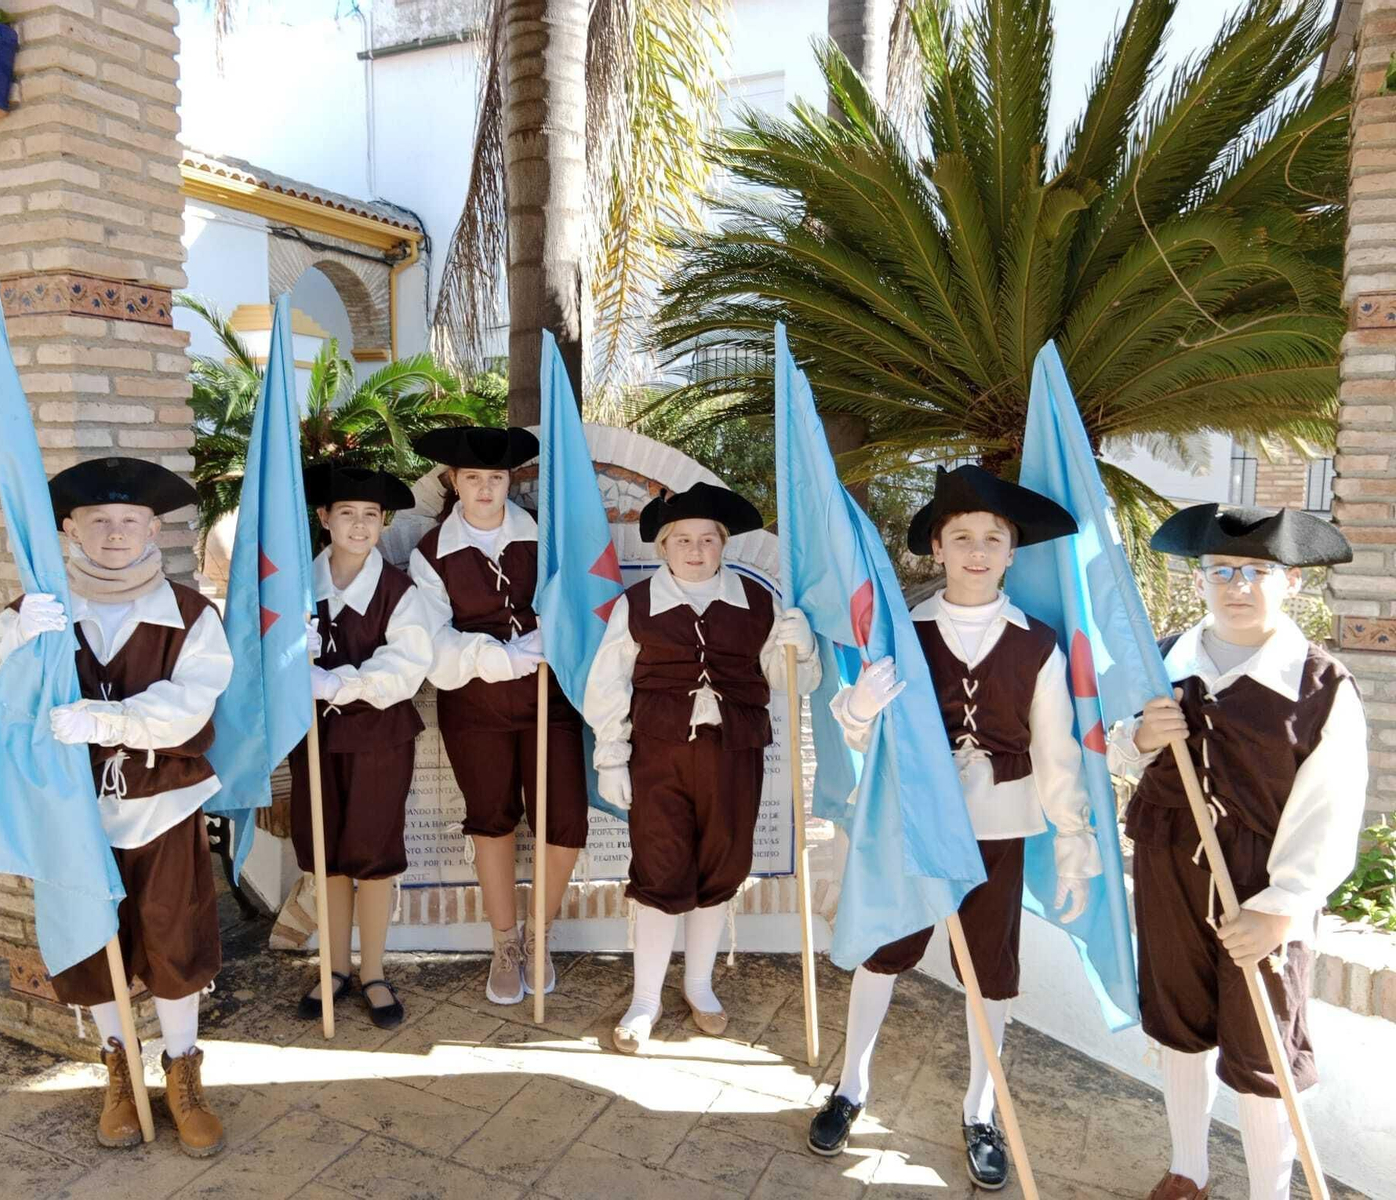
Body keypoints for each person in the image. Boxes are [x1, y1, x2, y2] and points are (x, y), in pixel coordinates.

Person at [807, 464, 1101, 1190]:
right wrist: (859, 708)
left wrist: (1073, 842)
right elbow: (863, 737)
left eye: (992, 539)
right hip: (911, 823)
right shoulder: (903, 633)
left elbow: (1057, 753)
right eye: (961, 537)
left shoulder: (1038, 644)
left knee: (990, 973)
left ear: (1011, 552)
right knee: (885, 950)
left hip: (998, 827)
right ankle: (851, 1086)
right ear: (936, 548)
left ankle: (979, 1109)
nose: (977, 550)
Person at [0, 457, 232, 1157]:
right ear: (71, 529)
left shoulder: (191, 615)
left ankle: (183, 1075)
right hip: (73, 811)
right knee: (92, 942)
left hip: (163, 806)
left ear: (152, 529)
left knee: (174, 936)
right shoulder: (36, 613)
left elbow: (192, 703)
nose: (115, 534)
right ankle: (120, 1071)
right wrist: (18, 644)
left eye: (129, 520)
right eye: (99, 521)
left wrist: (107, 720)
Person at [1108, 504, 1364, 1200]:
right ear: (1199, 581)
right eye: (1221, 571)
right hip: (1168, 863)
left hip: (1264, 883)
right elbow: (1109, 743)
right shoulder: (1162, 659)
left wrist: (1281, 910)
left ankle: (1266, 1194)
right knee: (1178, 1021)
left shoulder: (1320, 686)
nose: (1238, 586)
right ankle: (1188, 1169)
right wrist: (1139, 737)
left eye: (1257, 571)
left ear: (1292, 583)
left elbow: (1331, 808)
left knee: (1263, 1046)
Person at [584, 482, 820, 1053]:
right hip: (658, 757)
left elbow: (791, 682)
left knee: (722, 863)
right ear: (664, 546)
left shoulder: (757, 603)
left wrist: (803, 647)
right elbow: (608, 684)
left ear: (723, 544)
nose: (696, 550)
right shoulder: (636, 605)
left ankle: (698, 984)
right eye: (684, 539)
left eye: (708, 539)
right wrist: (611, 757)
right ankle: (645, 999)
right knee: (660, 867)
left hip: (734, 755)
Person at [407, 426, 584, 1005]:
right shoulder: (431, 554)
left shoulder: (545, 540)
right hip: (474, 703)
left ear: (511, 481)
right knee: (491, 817)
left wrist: (552, 638)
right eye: (473, 478)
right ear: (454, 482)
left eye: (496, 478)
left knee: (564, 818)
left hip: (549, 697)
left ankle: (540, 934)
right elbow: (430, 640)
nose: (486, 489)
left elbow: (579, 604)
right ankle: (505, 942)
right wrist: (497, 657)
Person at [289, 465, 436, 1030]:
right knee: (325, 850)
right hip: (315, 738)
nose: (359, 525)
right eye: (346, 513)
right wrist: (288, 656)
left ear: (383, 523)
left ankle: (373, 971)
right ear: (324, 517)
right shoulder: (295, 588)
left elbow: (406, 664)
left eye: (371, 515)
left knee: (373, 854)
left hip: (379, 737)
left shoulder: (399, 592)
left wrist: (336, 683)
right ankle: (334, 967)